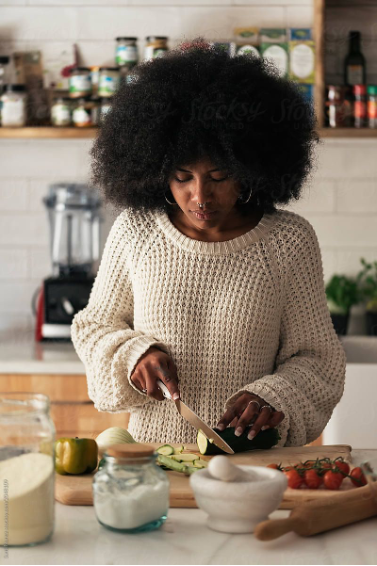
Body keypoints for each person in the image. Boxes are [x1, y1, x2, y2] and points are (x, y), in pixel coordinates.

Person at [71, 40, 347, 447]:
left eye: (218, 177)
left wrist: (273, 397)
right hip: (151, 463)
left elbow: (319, 362)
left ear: (250, 169)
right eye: (183, 177)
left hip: (251, 468)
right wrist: (135, 355)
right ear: (157, 169)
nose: (200, 196)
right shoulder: (137, 231)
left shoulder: (289, 242)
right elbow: (94, 327)